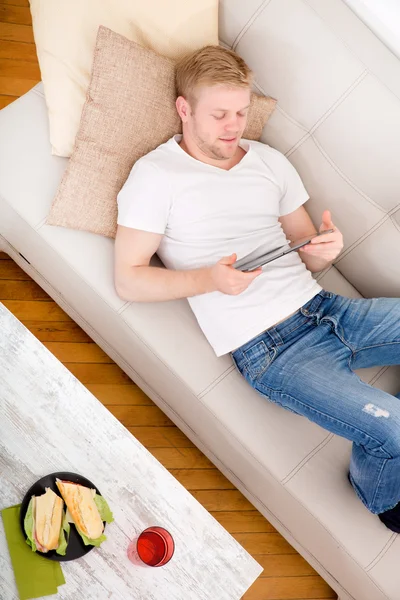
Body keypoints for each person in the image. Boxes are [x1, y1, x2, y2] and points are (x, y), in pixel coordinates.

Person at [114, 45, 400, 533]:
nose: (234, 125)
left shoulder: (268, 160)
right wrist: (210, 280)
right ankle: (385, 500)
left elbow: (303, 245)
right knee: (392, 431)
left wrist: (324, 251)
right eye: (219, 114)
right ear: (184, 109)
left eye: (242, 112)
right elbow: (129, 279)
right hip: (274, 350)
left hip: (326, 309)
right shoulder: (156, 175)